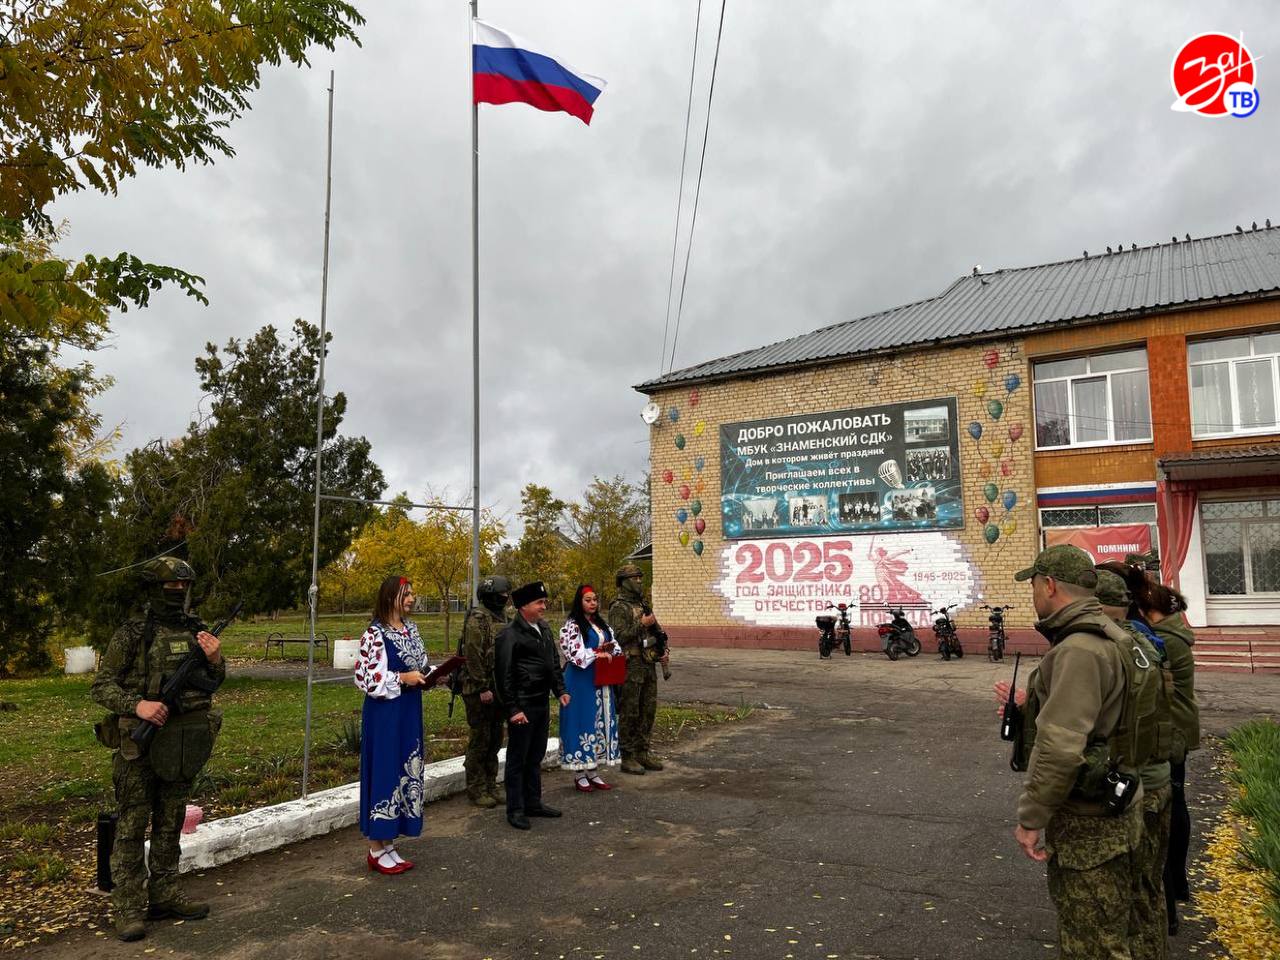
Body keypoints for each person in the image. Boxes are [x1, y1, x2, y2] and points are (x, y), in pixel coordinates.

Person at [1010, 545, 1143, 959]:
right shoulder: (1115, 636)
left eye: (1033, 585)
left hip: (1091, 823)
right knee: (1113, 932)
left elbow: (1061, 746)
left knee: (1093, 946)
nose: (1032, 594)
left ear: (1049, 585)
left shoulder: (1079, 649)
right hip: (1118, 807)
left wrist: (1032, 818)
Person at [91, 557, 226, 942]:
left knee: (170, 822)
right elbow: (101, 686)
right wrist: (139, 706)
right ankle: (129, 907)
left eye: (184, 588)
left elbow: (213, 681)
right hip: (140, 746)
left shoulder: (198, 630)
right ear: (155, 590)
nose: (179, 594)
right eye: (171, 589)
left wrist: (216, 660)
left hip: (183, 743)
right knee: (132, 828)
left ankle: (164, 893)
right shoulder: (132, 633)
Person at [1114, 561, 1200, 935]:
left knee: (1163, 811)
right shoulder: (1166, 624)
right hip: (1175, 726)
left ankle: (1168, 900)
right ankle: (1176, 888)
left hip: (1168, 731)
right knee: (1173, 805)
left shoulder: (1152, 634)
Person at [1095, 568, 1174, 960]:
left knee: (1117, 904)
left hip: (1132, 786)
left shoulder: (1113, 648)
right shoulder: (1148, 642)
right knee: (1148, 892)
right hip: (1158, 780)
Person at [354, 576, 435, 875]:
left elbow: (420, 663)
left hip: (409, 710)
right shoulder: (375, 634)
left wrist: (434, 674)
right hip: (385, 713)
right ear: (391, 597)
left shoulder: (411, 629)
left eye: (413, 592)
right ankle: (376, 847)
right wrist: (403, 678)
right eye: (406, 593)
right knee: (386, 770)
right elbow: (366, 678)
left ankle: (388, 843)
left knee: (405, 769)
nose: (412, 598)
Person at [494, 581, 569, 830]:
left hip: (540, 702)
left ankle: (533, 802)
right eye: (540, 603)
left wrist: (560, 690)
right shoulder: (509, 634)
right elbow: (503, 675)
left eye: (545, 602)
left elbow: (553, 664)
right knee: (518, 758)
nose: (544, 607)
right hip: (523, 704)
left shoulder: (544, 629)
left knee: (535, 755)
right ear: (523, 606)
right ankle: (515, 809)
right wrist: (513, 709)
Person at [558, 584, 623, 791]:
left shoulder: (601, 625)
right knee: (582, 720)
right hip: (580, 680)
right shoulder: (572, 625)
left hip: (601, 679)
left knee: (600, 721)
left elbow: (616, 645)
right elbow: (574, 654)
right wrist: (598, 653)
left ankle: (593, 771)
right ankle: (579, 773)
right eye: (588, 600)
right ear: (579, 602)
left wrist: (610, 652)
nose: (593, 603)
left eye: (595, 599)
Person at [608, 564, 667, 776]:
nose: (639, 582)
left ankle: (643, 751)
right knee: (630, 711)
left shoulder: (643, 604)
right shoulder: (619, 607)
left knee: (648, 710)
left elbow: (656, 632)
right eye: (635, 578)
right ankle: (628, 755)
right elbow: (618, 637)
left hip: (648, 663)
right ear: (624, 582)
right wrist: (641, 624)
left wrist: (662, 648)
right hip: (630, 666)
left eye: (641, 578)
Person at [459, 575, 511, 808]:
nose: (505, 597)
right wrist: (482, 687)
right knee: (480, 739)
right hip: (479, 689)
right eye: (501, 594)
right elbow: (473, 654)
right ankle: (476, 788)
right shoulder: (478, 618)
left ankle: (490, 783)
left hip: (498, 687)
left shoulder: (503, 617)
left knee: (495, 739)